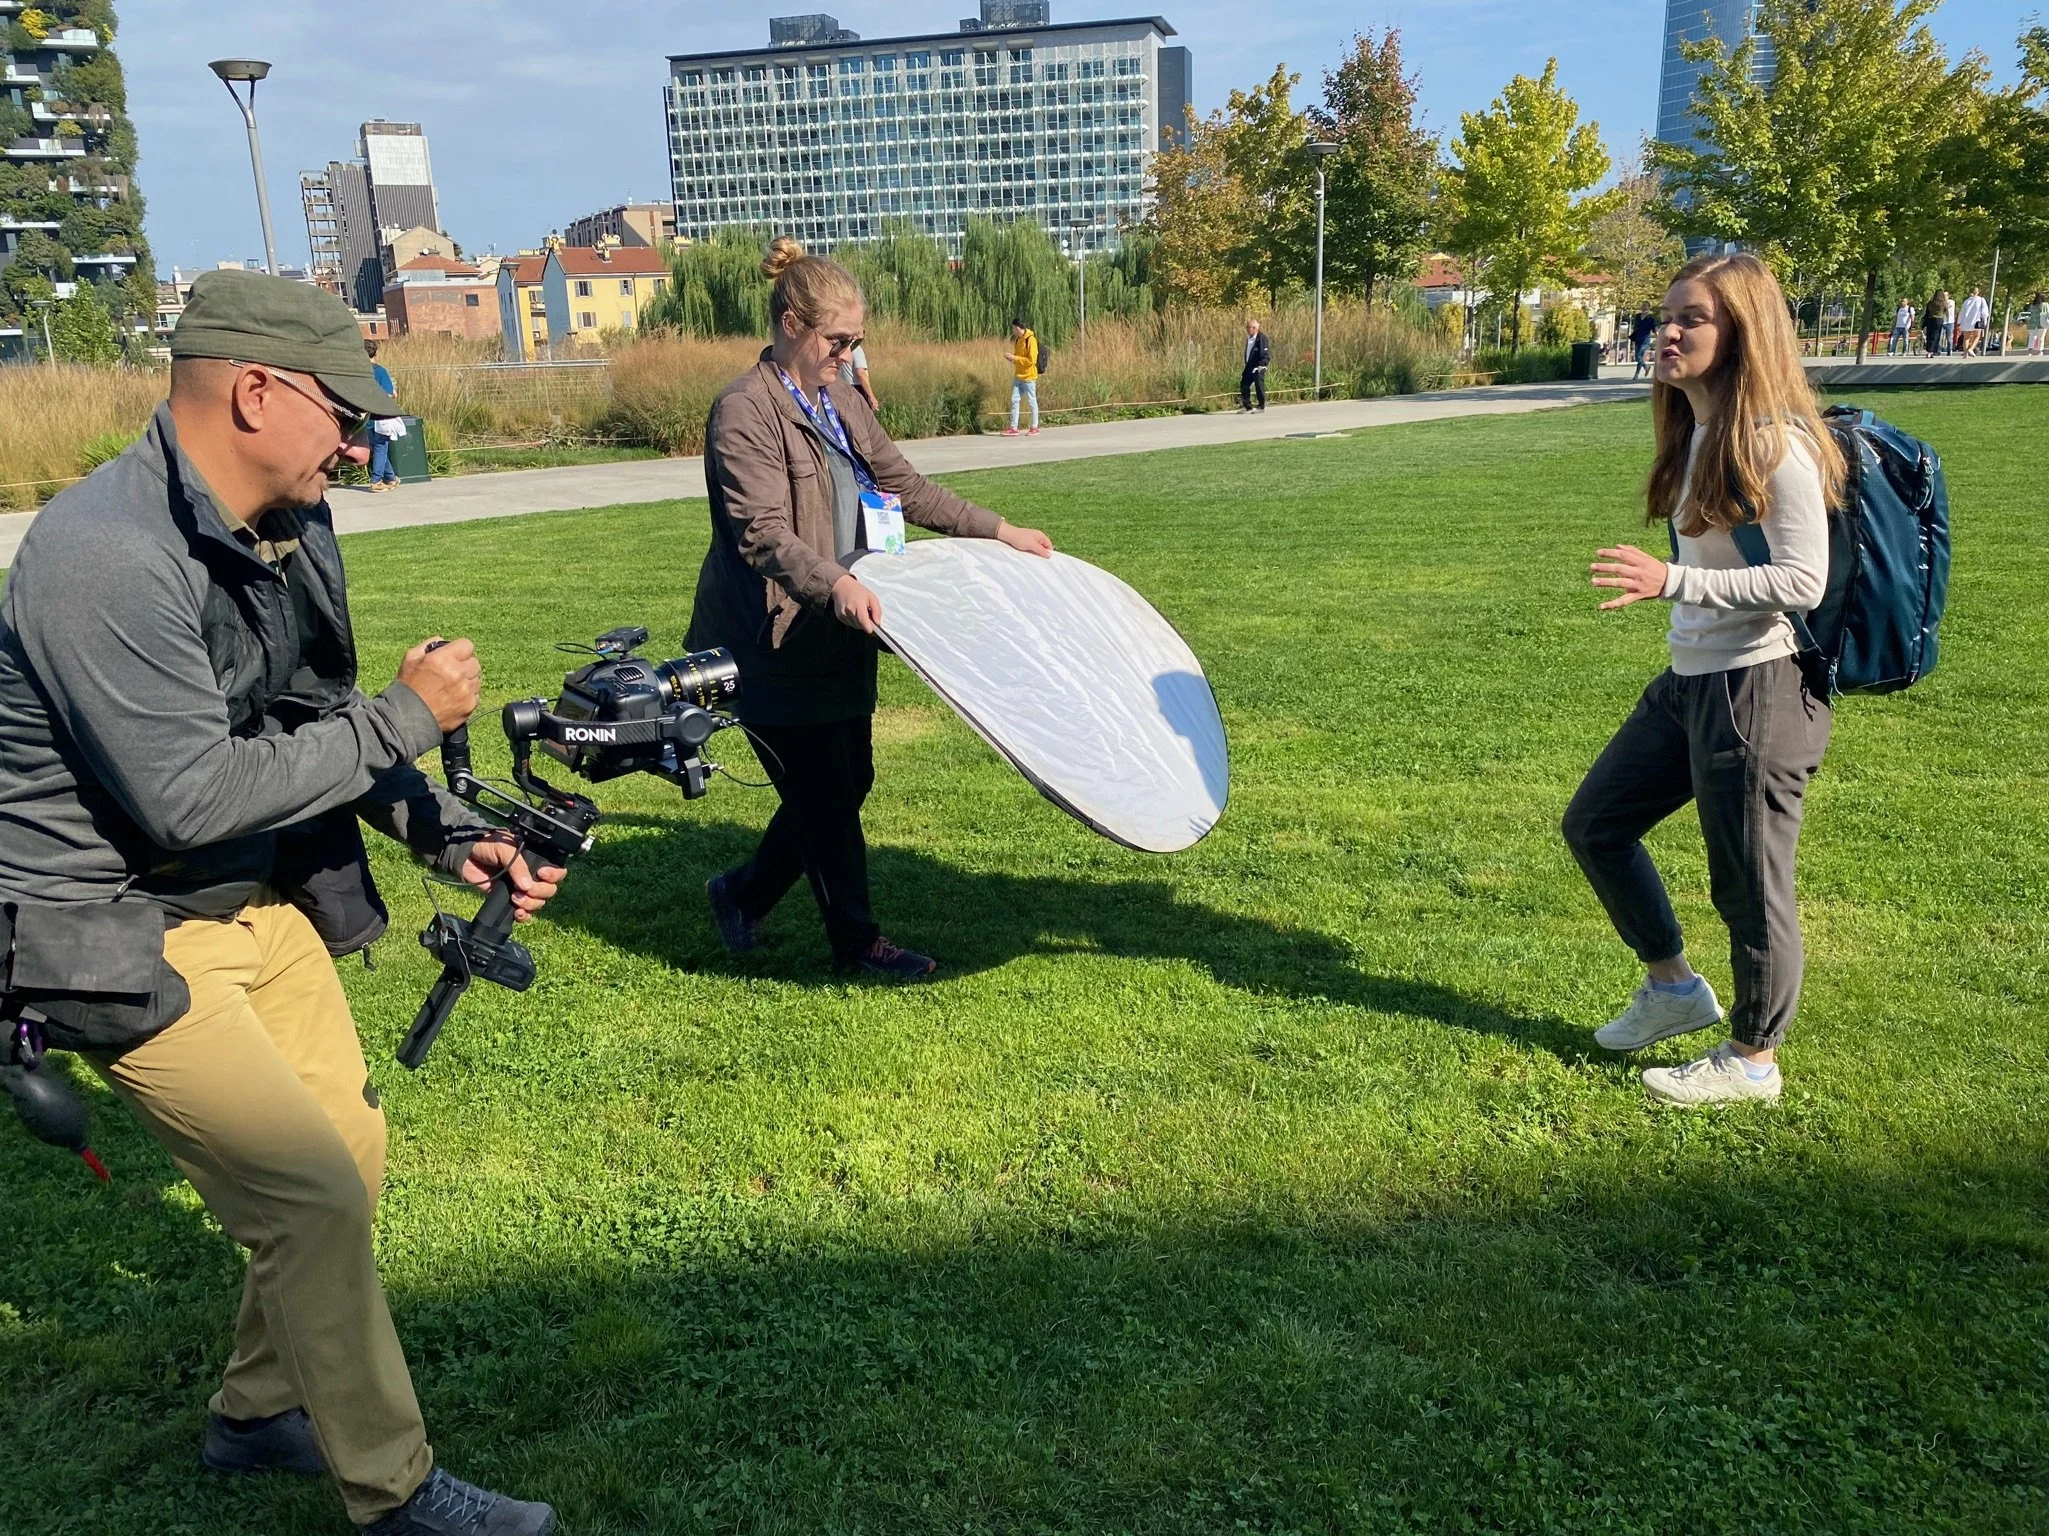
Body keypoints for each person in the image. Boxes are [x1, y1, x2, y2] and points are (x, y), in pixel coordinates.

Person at [0, 269, 565, 1532]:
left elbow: (310, 728)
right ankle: (397, 1493)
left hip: (250, 903)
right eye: (341, 409)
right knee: (307, 1195)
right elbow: (190, 797)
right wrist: (412, 716)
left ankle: (255, 1415)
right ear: (255, 392)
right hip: (113, 928)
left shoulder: (293, 522)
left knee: (343, 1154)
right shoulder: (99, 557)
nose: (358, 439)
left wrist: (446, 830)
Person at [690, 238, 1055, 979]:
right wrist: (838, 585)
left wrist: (999, 528)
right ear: (791, 324)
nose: (848, 354)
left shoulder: (842, 400)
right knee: (824, 793)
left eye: (855, 341)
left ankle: (741, 893)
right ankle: (856, 945)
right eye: (837, 340)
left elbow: (907, 488)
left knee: (846, 782)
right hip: (770, 638)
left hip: (840, 630)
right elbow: (762, 534)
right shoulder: (742, 412)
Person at [1563, 251, 1846, 1106]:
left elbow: (1804, 581)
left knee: (1749, 885)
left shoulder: (1774, 442)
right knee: (1596, 824)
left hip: (1757, 688)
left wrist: (1671, 580)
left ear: (1742, 334)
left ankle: (1753, 1060)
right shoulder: (1698, 435)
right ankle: (1673, 988)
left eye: (1692, 318)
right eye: (1666, 315)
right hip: (1693, 681)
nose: (1667, 332)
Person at [364, 339, 403, 491]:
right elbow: (388, 393)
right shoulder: (379, 371)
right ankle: (376, 480)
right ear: (375, 353)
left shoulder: (357, 372)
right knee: (381, 445)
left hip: (363, 416)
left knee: (378, 447)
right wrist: (393, 394)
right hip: (380, 415)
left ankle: (391, 478)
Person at [1002, 317, 1041, 436]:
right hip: (1018, 375)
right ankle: (1014, 427)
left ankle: (1034, 427)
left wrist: (1015, 358)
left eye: (1015, 328)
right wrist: (1012, 359)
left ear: (1020, 328)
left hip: (1029, 376)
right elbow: (1019, 357)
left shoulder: (1031, 340)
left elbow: (1031, 360)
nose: (1013, 331)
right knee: (1014, 400)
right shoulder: (1018, 340)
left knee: (1031, 401)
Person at [839, 339, 879, 412]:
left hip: (841, 386)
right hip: (856, 388)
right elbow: (861, 373)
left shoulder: (840, 346)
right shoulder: (856, 348)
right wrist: (871, 396)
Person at [1240, 317, 1271, 412]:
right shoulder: (1249, 339)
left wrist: (1263, 363)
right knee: (1244, 384)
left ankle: (1261, 406)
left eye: (1248, 327)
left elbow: (1265, 352)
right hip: (1249, 366)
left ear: (1254, 328)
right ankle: (1247, 406)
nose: (1247, 329)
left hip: (1259, 366)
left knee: (1259, 385)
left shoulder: (1261, 338)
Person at [1958, 286, 1990, 357]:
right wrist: (1985, 320)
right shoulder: (1981, 300)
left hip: (1966, 321)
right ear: (1978, 292)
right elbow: (1984, 311)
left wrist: (1959, 321)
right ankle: (1971, 349)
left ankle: (1966, 353)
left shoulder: (1966, 301)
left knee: (1966, 338)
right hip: (1976, 321)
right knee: (1977, 336)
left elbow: (1962, 312)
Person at [1630, 309, 1657, 379]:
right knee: (1639, 357)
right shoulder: (1637, 316)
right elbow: (1635, 327)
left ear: (1649, 308)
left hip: (1645, 339)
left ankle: (1646, 367)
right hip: (1637, 338)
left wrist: (1658, 337)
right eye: (1643, 305)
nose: (1643, 307)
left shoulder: (1650, 318)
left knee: (1638, 356)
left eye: (1645, 306)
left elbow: (1654, 329)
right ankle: (1636, 375)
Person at [1923, 291, 1948, 357]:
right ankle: (1932, 351)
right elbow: (1946, 310)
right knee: (1936, 335)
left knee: (1929, 335)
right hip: (1939, 319)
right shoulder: (1943, 303)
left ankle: (1929, 350)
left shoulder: (1931, 303)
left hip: (1930, 319)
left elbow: (1927, 311)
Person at [2027, 291, 2048, 356]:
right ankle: (2040, 351)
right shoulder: (2045, 304)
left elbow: (2030, 314)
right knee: (2041, 337)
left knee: (2032, 336)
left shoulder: (2032, 305)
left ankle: (2030, 351)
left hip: (2032, 323)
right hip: (2042, 323)